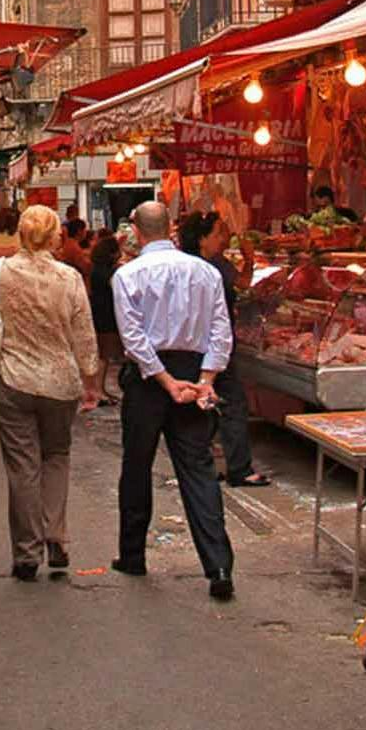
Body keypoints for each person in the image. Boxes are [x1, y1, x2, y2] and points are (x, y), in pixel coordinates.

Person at [0, 205, 100, 581]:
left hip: (14, 379)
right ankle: (56, 535)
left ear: (21, 235)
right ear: (55, 236)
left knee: (23, 466)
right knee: (56, 455)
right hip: (61, 382)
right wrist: (91, 379)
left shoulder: (0, 271)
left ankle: (27, 552)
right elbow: (84, 332)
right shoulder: (68, 277)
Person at [111, 201, 237, 600]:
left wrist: (165, 381)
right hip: (193, 371)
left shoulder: (127, 275)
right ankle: (218, 564)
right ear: (170, 228)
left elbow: (133, 338)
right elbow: (221, 330)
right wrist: (206, 379)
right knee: (198, 468)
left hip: (151, 379)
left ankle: (132, 554)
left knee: (137, 464)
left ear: (136, 229)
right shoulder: (206, 272)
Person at [181, 213, 271, 488]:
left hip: (197, 346)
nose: (225, 237)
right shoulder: (216, 265)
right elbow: (244, 284)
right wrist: (250, 258)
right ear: (202, 239)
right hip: (218, 348)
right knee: (233, 404)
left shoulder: (191, 265)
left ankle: (203, 462)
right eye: (219, 232)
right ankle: (239, 468)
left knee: (207, 400)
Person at [86, 233, 124, 406]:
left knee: (102, 354)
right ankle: (98, 391)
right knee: (103, 354)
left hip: (98, 312)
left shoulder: (96, 269)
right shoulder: (109, 273)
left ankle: (99, 389)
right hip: (106, 315)